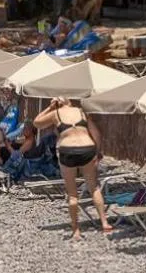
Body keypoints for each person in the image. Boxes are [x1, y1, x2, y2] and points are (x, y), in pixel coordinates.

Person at [34, 97, 109, 239]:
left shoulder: (55, 114)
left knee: (73, 194)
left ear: (56, 105)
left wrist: (50, 108)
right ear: (70, 102)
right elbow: (96, 134)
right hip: (87, 148)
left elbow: (37, 122)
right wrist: (97, 153)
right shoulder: (81, 112)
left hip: (67, 151)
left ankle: (76, 231)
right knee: (94, 188)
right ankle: (104, 223)